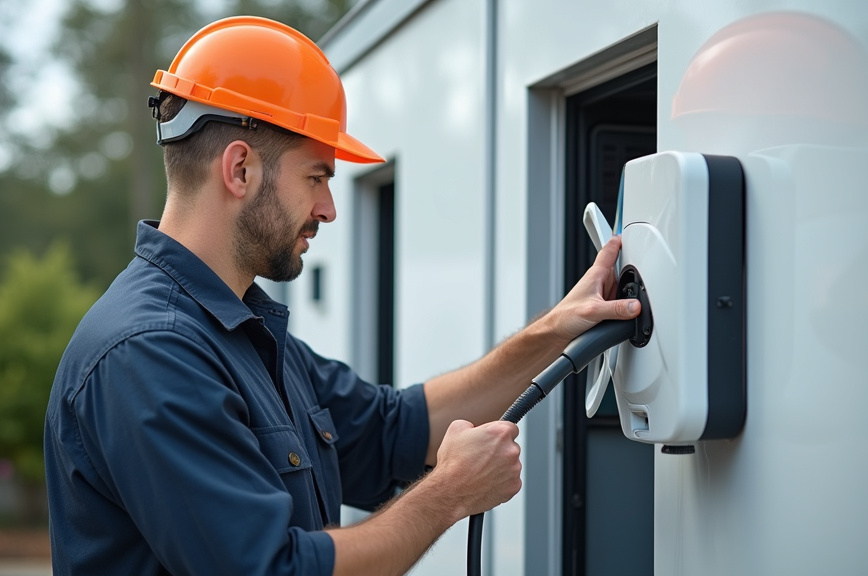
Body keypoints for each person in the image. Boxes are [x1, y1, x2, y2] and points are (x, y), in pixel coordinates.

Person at [43, 15, 640, 576]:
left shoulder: (241, 332)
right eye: (317, 177)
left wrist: (558, 327)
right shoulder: (149, 354)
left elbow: (395, 429)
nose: (328, 209)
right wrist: (450, 494)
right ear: (240, 170)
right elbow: (274, 569)